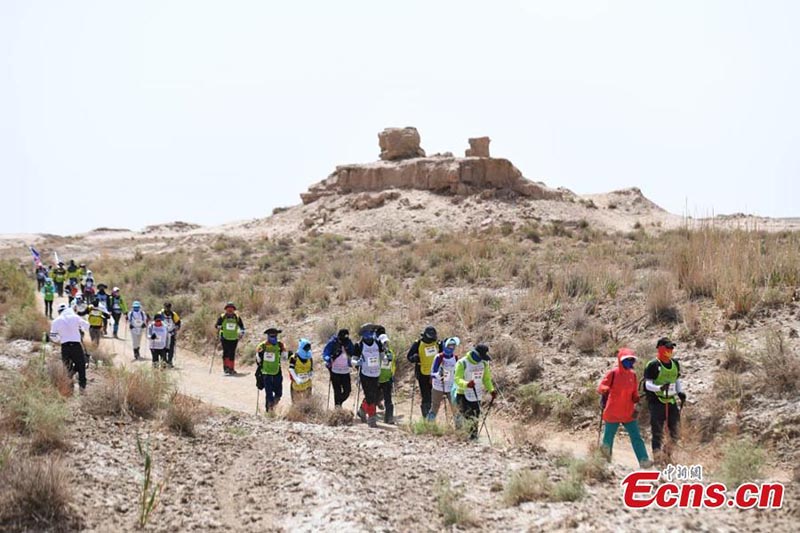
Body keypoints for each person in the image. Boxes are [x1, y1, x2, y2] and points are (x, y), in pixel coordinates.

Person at [597, 348, 653, 469]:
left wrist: (637, 398)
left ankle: (644, 461)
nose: (630, 363)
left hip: (628, 413)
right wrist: (604, 389)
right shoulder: (613, 373)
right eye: (627, 360)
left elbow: (634, 393)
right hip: (613, 412)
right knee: (608, 438)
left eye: (632, 360)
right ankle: (604, 462)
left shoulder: (632, 375)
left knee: (636, 437)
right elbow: (601, 386)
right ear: (621, 360)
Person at [644, 338, 686, 462]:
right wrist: (659, 387)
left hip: (671, 401)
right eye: (667, 348)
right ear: (660, 348)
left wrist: (680, 392)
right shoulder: (652, 365)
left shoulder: (675, 364)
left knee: (676, 431)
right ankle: (657, 457)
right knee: (657, 431)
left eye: (671, 348)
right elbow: (647, 384)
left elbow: (676, 379)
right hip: (656, 402)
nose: (670, 350)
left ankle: (666, 454)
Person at [453, 344, 496, 440]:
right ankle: (461, 436)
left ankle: (473, 438)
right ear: (475, 354)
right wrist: (466, 384)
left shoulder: (484, 364)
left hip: (477, 394)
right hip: (462, 394)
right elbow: (457, 379)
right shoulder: (462, 363)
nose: (482, 359)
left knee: (475, 417)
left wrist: (491, 390)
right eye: (481, 357)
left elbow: (486, 379)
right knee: (466, 416)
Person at [49, 303, 90, 391]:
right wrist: (79, 328)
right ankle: (82, 387)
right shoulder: (75, 317)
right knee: (81, 366)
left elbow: (52, 336)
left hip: (65, 347)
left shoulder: (56, 321)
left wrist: (60, 340)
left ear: (59, 312)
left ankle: (69, 387)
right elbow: (87, 325)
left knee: (67, 367)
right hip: (76, 346)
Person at [353, 325, 385, 428]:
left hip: (376, 373)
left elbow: (382, 355)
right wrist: (357, 362)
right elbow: (353, 359)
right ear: (363, 334)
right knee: (370, 397)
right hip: (365, 374)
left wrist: (386, 358)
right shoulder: (359, 345)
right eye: (369, 332)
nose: (371, 334)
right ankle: (372, 420)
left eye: (372, 332)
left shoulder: (377, 343)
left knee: (374, 396)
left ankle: (362, 410)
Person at [406, 325, 442, 418]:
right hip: (422, 374)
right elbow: (409, 356)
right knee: (426, 396)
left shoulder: (438, 343)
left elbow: (444, 354)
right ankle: (426, 417)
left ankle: (432, 416)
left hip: (435, 374)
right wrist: (414, 358)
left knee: (434, 396)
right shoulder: (418, 343)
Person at [428, 337, 460, 422]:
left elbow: (457, 372)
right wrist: (439, 375)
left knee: (455, 408)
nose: (451, 348)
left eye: (453, 346)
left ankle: (459, 430)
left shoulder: (456, 358)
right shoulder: (439, 357)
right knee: (435, 407)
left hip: (451, 387)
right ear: (445, 346)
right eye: (449, 345)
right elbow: (432, 373)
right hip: (438, 386)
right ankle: (429, 426)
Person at [255, 327, 288, 411]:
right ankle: (269, 410)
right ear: (268, 336)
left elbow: (285, 358)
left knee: (279, 393)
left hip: (277, 371)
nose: (274, 337)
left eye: (275, 336)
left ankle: (273, 404)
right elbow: (258, 359)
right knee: (269, 393)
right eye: (272, 336)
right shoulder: (262, 346)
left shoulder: (280, 345)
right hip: (266, 372)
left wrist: (284, 353)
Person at [322, 329, 355, 408]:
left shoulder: (348, 342)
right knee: (337, 391)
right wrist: (328, 359)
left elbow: (353, 352)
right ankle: (337, 408)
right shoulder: (333, 342)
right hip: (335, 371)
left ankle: (339, 403)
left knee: (347, 391)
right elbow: (325, 353)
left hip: (345, 371)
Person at [215, 302, 245, 375]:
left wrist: (242, 332)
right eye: (228, 308)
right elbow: (216, 325)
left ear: (234, 309)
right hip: (224, 337)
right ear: (226, 309)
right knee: (226, 352)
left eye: (231, 308)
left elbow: (242, 327)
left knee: (232, 353)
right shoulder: (222, 317)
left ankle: (231, 368)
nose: (230, 310)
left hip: (234, 338)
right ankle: (226, 368)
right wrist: (218, 326)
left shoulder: (237, 317)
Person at [375, 326, 396, 424]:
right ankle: (363, 411)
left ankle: (389, 418)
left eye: (386, 342)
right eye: (383, 343)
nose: (385, 344)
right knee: (372, 397)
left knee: (388, 400)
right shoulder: (376, 352)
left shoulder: (390, 352)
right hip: (376, 378)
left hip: (387, 378)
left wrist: (393, 374)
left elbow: (393, 364)